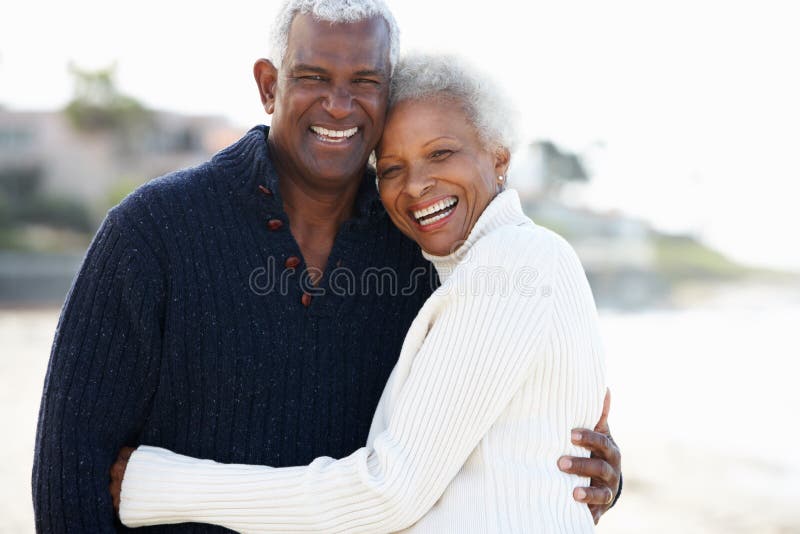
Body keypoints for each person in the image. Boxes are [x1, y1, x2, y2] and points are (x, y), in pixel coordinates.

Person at [33, 1, 620, 532]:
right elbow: (70, 475)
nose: (339, 104)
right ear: (269, 85)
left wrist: (571, 464)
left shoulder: (422, 252)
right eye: (314, 77)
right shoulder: (153, 231)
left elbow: (442, 461)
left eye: (365, 82)